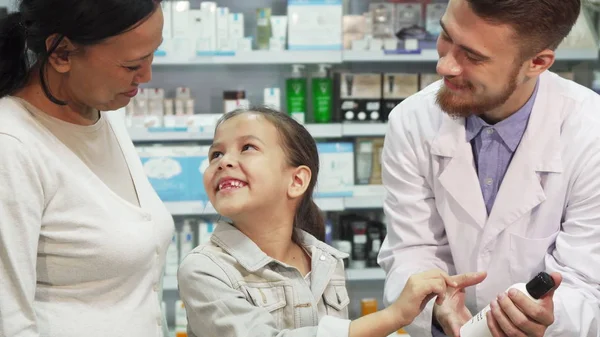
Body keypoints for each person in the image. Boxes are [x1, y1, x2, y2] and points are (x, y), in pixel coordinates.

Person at [377, 0, 600, 336]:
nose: (445, 65)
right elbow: (412, 248)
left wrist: (542, 319)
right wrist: (438, 305)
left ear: (537, 63)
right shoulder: (412, 122)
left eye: (473, 56)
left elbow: (585, 282)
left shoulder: (590, 132)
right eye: (446, 35)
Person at [177, 107, 486, 337]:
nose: (224, 161)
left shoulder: (325, 260)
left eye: (247, 147)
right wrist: (393, 317)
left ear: (296, 180)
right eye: (215, 154)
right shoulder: (205, 270)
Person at [0, 1, 174, 337]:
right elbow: (9, 321)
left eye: (153, 54)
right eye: (132, 65)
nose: (147, 75)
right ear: (62, 53)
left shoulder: (105, 112)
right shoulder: (13, 147)